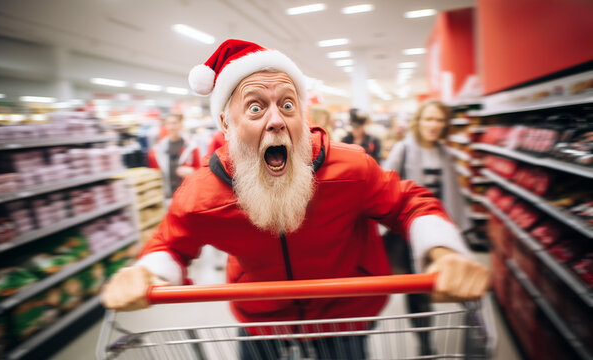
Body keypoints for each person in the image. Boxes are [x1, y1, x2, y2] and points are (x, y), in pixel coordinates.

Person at [102, 39, 488, 359]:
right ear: (225, 122)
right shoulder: (202, 195)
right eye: (255, 107)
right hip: (261, 319)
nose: (276, 120)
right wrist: (145, 274)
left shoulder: (350, 168)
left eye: (287, 104)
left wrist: (444, 252)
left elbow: (406, 202)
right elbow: (172, 241)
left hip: (343, 318)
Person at [381, 99, 471, 355]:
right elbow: (385, 187)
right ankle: (424, 342)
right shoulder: (403, 150)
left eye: (439, 120)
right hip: (408, 232)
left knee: (436, 283)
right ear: (418, 122)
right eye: (429, 119)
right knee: (417, 290)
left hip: (439, 230)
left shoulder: (446, 154)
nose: (433, 125)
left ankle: (428, 337)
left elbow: (452, 194)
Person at [147, 113, 201, 198]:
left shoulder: (191, 146)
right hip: (167, 195)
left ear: (180, 124)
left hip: (187, 195)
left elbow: (200, 170)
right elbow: (154, 173)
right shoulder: (158, 149)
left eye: (174, 123)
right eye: (169, 123)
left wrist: (192, 171)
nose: (172, 127)